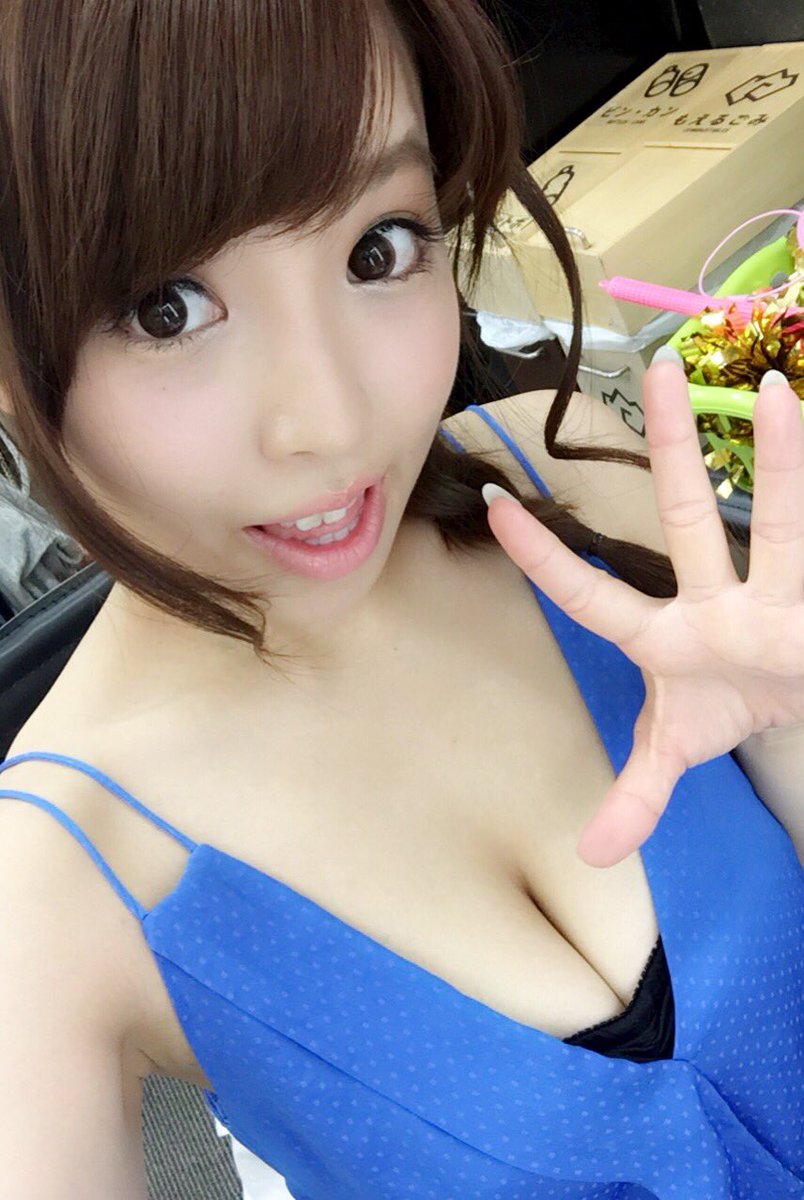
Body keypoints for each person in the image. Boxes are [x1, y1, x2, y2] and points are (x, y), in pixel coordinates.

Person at [0, 2, 800, 1198]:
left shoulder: (578, 482)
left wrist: (791, 724)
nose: (330, 421)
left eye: (378, 248)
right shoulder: (53, 892)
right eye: (168, 307)